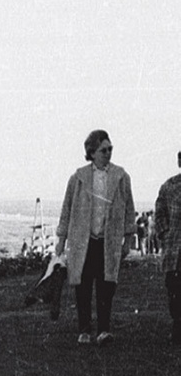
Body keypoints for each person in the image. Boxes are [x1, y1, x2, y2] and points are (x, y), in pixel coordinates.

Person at [55, 130, 137, 347]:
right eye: (103, 150)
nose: (108, 153)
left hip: (108, 242)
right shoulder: (78, 178)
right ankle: (84, 330)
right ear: (91, 153)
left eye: (110, 149)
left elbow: (129, 209)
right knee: (82, 285)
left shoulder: (121, 177)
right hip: (83, 241)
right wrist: (61, 239)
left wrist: (128, 239)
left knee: (106, 286)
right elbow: (66, 209)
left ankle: (103, 331)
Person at [156, 150, 181, 344]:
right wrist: (165, 234)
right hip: (175, 249)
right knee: (174, 289)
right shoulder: (169, 187)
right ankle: (177, 327)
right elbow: (160, 213)